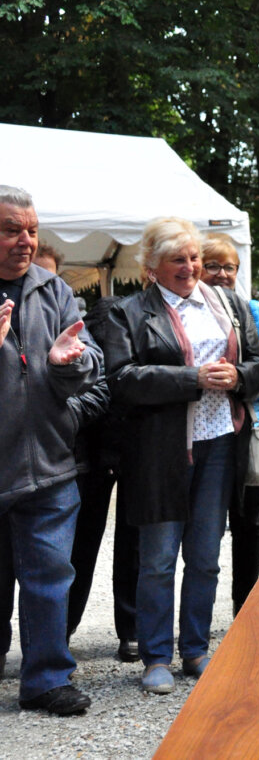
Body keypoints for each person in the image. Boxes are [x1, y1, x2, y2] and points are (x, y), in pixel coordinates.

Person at [106, 217, 259, 694]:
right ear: (151, 267)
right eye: (178, 259)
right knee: (158, 558)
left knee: (205, 556)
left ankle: (196, 649)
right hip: (160, 453)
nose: (191, 267)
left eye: (194, 257)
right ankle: (156, 655)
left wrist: (237, 377)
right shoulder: (129, 311)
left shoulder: (229, 303)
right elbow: (121, 380)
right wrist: (192, 379)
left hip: (220, 442)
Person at [0, 185, 98, 714]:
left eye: (32, 230)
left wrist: (69, 364)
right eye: (12, 229)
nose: (26, 240)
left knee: (49, 577)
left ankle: (46, 679)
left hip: (50, 464)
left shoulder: (54, 289)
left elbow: (91, 366)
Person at [199, 234, 259, 615]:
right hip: (201, 432)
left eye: (228, 267)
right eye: (211, 265)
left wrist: (241, 382)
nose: (220, 274)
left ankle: (244, 608)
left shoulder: (253, 310)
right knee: (205, 527)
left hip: (250, 428)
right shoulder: (187, 309)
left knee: (250, 523)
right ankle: (198, 614)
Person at [65, 295, 140, 664]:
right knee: (81, 544)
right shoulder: (109, 316)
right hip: (94, 447)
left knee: (130, 543)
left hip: (132, 446)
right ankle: (63, 629)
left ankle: (130, 632)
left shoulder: (145, 314)